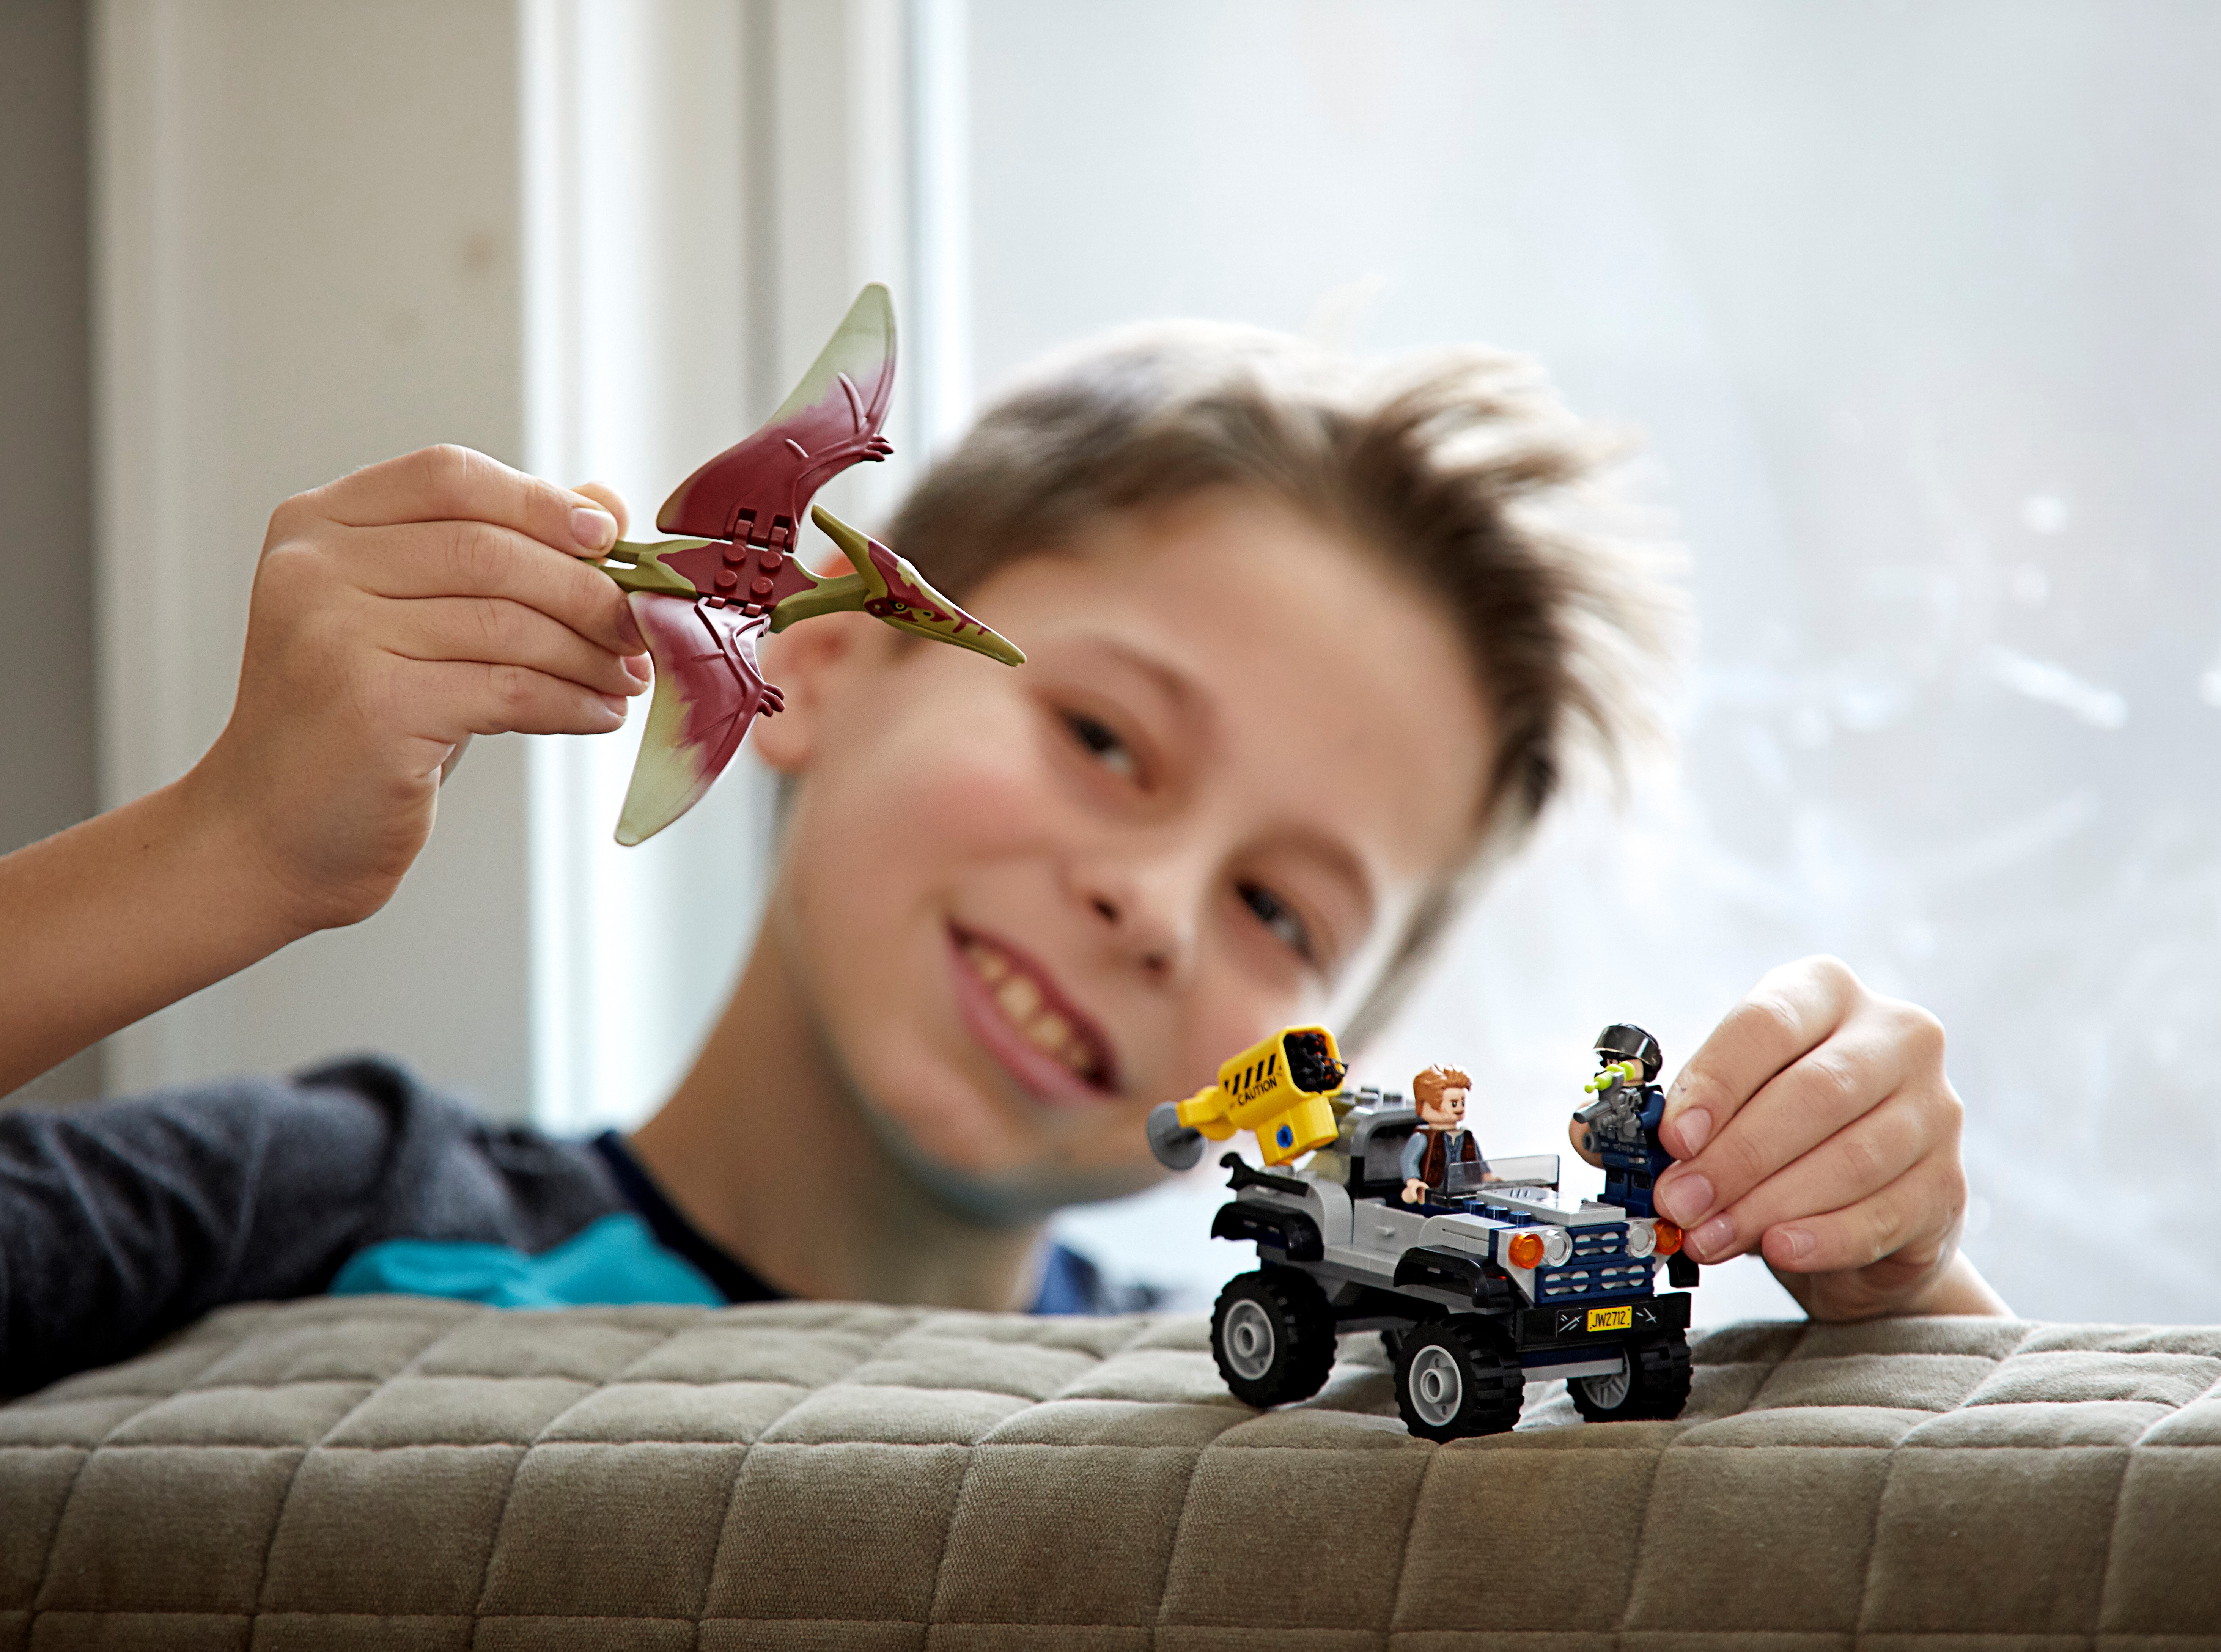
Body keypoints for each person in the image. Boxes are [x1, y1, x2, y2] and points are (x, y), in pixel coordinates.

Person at [0, 325, 2007, 1397]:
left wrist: (1895, 1289)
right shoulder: (318, 1208)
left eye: (1277, 908)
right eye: (1104, 738)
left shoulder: (1266, 1402)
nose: (1154, 901)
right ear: (817, 660)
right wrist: (222, 848)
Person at [1568, 1023, 1670, 1214]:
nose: (1615, 1067)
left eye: (1623, 1062)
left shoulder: (1652, 1096)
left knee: (1643, 1182)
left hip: (1644, 1153)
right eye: (1610, 1062)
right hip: (1615, 1151)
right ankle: (1611, 1204)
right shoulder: (1610, 1095)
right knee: (1616, 1177)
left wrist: (1638, 1122)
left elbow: (1654, 1115)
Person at [1398, 1064, 1494, 1205]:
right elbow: (1409, 1160)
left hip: (1467, 1195)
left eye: (1463, 1102)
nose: (1460, 1108)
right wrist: (1413, 1183)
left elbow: (1479, 1162)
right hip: (1435, 1197)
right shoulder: (1422, 1138)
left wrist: (1488, 1178)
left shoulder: (1468, 1138)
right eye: (1454, 1104)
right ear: (1426, 1105)